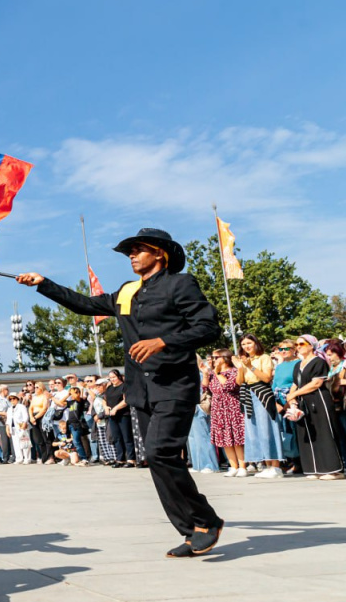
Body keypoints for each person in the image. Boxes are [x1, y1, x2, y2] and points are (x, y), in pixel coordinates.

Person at [18, 227, 224, 558]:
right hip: (140, 389)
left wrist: (164, 341)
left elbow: (209, 326)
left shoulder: (180, 284)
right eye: (129, 250)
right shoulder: (127, 291)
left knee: (160, 453)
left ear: (160, 254)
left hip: (174, 382)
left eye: (138, 249)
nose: (131, 255)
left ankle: (205, 521)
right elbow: (84, 304)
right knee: (156, 459)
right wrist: (44, 284)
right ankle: (193, 529)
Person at [286, 335, 344, 480]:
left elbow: (316, 383)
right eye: (297, 344)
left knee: (324, 432)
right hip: (303, 401)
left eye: (302, 343)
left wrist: (295, 394)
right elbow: (295, 384)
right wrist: (291, 399)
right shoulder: (298, 364)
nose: (298, 346)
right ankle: (314, 468)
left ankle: (333, 470)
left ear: (311, 345)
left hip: (319, 399)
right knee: (308, 434)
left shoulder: (319, 361)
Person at [234, 334, 283, 477]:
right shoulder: (244, 360)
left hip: (262, 392)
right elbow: (239, 382)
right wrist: (240, 368)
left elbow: (267, 378)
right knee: (255, 431)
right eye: (243, 344)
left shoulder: (264, 357)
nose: (246, 346)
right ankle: (266, 466)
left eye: (249, 343)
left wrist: (251, 367)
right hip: (248, 393)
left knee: (267, 429)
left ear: (256, 343)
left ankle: (276, 466)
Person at [208, 349, 246, 477]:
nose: (214, 359)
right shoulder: (214, 373)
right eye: (213, 357)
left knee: (236, 438)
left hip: (231, 407)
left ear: (225, 357)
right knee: (224, 439)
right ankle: (233, 466)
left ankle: (242, 466)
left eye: (216, 357)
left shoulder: (233, 371)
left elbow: (229, 386)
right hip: (218, 408)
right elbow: (208, 387)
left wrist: (218, 373)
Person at [272, 339, 301, 474]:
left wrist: (289, 401)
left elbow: (297, 382)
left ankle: (300, 463)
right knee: (286, 433)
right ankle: (292, 461)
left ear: (294, 349)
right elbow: (274, 385)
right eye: (281, 349)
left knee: (296, 432)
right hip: (279, 400)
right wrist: (277, 403)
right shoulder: (279, 366)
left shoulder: (298, 363)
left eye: (286, 348)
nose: (283, 351)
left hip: (293, 399)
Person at [188, 356, 220, 474]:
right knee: (192, 437)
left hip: (200, 406)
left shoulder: (201, 372)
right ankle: (197, 464)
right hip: (189, 407)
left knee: (203, 435)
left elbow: (204, 388)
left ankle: (209, 465)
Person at [103, 371, 136, 468]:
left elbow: (126, 400)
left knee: (127, 437)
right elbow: (104, 400)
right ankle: (120, 459)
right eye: (110, 378)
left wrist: (116, 408)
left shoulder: (124, 386)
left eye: (114, 377)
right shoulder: (109, 388)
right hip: (112, 416)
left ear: (119, 377)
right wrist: (105, 407)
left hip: (123, 415)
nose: (112, 379)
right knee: (117, 438)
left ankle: (131, 459)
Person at [28, 382, 53, 464]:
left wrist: (35, 417)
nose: (35, 389)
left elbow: (44, 408)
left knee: (46, 437)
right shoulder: (34, 397)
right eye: (35, 387)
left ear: (41, 388)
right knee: (38, 439)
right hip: (34, 417)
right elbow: (30, 408)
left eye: (37, 387)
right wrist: (31, 417)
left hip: (42, 417)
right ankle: (44, 456)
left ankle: (50, 456)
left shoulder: (44, 396)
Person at [5, 393, 32, 464]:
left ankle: (27, 458)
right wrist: (7, 428)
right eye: (10, 399)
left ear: (17, 399)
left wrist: (24, 424)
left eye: (13, 398)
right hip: (13, 428)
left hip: (21, 427)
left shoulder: (21, 406)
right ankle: (19, 458)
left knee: (24, 442)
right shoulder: (9, 409)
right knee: (16, 444)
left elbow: (25, 416)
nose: (12, 401)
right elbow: (8, 419)